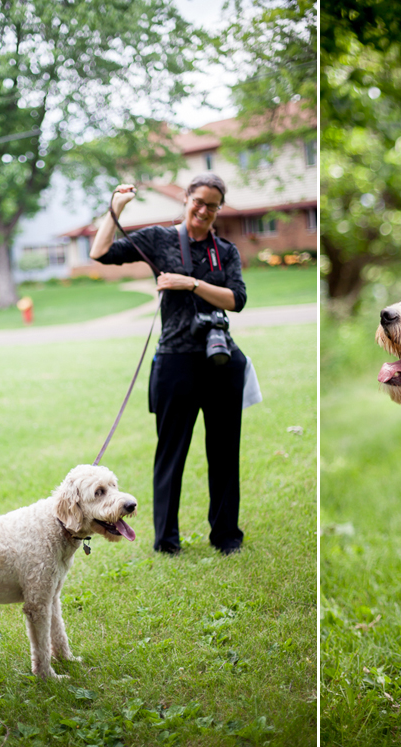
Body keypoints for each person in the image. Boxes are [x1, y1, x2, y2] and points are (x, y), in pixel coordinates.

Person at [89, 173, 247, 554]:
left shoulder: (224, 250)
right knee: (170, 454)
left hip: (220, 356)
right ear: (186, 199)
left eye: (212, 205)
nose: (204, 210)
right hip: (176, 359)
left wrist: (189, 284)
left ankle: (226, 536)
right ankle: (166, 541)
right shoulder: (159, 238)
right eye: (198, 201)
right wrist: (116, 208)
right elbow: (100, 252)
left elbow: (237, 299)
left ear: (219, 209)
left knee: (224, 454)